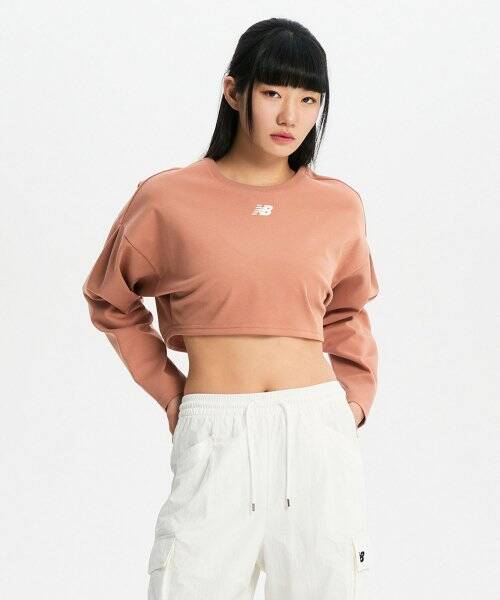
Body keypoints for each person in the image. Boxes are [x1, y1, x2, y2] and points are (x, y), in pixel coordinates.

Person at [82, 17, 379, 600]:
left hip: (316, 434)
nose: (290, 116)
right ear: (234, 91)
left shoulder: (338, 206)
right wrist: (170, 390)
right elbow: (109, 299)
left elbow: (347, 313)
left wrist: (353, 405)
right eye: (272, 93)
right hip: (215, 433)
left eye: (308, 99)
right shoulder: (167, 198)